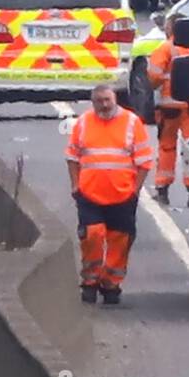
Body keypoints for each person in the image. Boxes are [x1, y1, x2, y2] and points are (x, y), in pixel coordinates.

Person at [65, 85, 153, 304]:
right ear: (92, 102)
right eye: (99, 101)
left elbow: (144, 162)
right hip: (90, 194)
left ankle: (111, 283)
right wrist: (76, 185)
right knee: (92, 235)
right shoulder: (83, 123)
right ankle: (90, 282)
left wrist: (135, 190)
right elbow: (72, 157)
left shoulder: (132, 123)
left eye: (108, 100)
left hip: (122, 196)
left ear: (115, 99)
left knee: (120, 241)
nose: (104, 105)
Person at [147, 16, 189, 207]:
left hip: (169, 108)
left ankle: (163, 189)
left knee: (167, 148)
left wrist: (164, 83)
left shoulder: (165, 49)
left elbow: (153, 77)